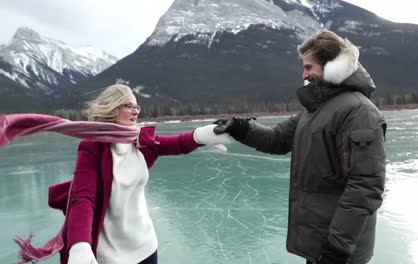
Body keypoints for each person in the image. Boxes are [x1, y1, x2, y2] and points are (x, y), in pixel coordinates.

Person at [214, 29, 386, 264]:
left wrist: (338, 246)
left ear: (333, 66)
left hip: (341, 250)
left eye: (309, 67)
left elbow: (365, 185)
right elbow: (277, 139)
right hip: (319, 242)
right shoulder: (313, 109)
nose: (304, 74)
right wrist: (240, 128)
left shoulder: (359, 111)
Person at [14, 84, 231, 264]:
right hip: (111, 255)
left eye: (137, 105)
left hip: (146, 247)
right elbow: (83, 199)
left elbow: (178, 143)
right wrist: (79, 244)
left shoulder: (141, 140)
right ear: (113, 108)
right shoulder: (92, 147)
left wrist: (205, 135)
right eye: (128, 105)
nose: (136, 110)